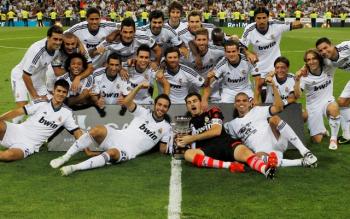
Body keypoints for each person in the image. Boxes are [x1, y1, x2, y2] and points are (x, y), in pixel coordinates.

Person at [49, 82, 173, 176]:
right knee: (96, 130)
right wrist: (139, 87)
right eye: (159, 104)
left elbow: (163, 150)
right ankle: (65, 157)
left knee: (112, 153)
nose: (161, 108)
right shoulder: (144, 112)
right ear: (155, 104)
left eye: (165, 106)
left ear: (168, 109)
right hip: (118, 135)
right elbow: (127, 102)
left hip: (128, 150)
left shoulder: (166, 127)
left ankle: (75, 168)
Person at [176, 92, 278, 179]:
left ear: (200, 102)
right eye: (189, 103)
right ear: (187, 107)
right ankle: (229, 165)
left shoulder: (213, 111)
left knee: (244, 152)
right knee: (188, 154)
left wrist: (192, 138)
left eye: (194, 101)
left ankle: (266, 170)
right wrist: (180, 143)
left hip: (225, 143)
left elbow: (216, 131)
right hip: (207, 150)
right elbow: (183, 147)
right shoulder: (188, 124)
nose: (192, 104)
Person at [224, 88, 318, 168]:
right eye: (238, 101)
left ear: (249, 103)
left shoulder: (257, 110)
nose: (241, 103)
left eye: (244, 100)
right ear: (234, 104)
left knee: (274, 119)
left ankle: (305, 151)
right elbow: (222, 133)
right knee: (254, 158)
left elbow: (278, 108)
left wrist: (273, 85)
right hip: (262, 152)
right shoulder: (232, 125)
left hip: (276, 140)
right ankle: (301, 162)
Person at [0, 79, 82, 161]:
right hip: (17, 131)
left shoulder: (67, 113)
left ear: (67, 94)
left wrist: (87, 149)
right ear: (53, 91)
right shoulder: (41, 103)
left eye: (64, 92)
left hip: (28, 145)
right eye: (59, 91)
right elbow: (17, 112)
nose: (61, 94)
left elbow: (77, 132)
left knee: (7, 156)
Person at [240, 6, 303, 104]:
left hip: (276, 64)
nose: (262, 21)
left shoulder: (276, 25)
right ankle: (258, 109)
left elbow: (297, 24)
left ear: (268, 17)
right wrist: (248, 53)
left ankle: (279, 107)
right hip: (259, 64)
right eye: (259, 18)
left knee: (275, 88)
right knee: (259, 86)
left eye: (264, 18)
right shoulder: (250, 29)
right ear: (255, 19)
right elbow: (241, 45)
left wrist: (298, 23)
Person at [10, 25, 63, 123]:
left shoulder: (58, 49)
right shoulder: (37, 51)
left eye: (60, 39)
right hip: (21, 77)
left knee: (46, 107)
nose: (58, 42)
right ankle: (9, 133)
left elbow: (57, 71)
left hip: (38, 80)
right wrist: (36, 97)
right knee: (22, 109)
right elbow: (25, 75)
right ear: (48, 38)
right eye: (55, 39)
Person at [294, 49, 340, 149]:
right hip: (313, 107)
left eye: (314, 58)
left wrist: (304, 66)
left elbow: (332, 54)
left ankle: (333, 139)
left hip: (327, 101)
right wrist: (297, 80)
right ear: (306, 62)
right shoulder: (304, 77)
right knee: (317, 140)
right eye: (308, 60)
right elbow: (297, 95)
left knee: (334, 107)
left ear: (319, 59)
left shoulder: (329, 68)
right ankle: (320, 130)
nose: (311, 61)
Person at [203, 40, 259, 105]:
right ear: (225, 53)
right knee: (225, 109)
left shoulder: (248, 60)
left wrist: (256, 98)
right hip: (229, 91)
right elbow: (209, 83)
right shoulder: (222, 64)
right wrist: (204, 98)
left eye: (233, 51)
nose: (231, 54)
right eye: (228, 52)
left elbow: (258, 79)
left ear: (238, 51)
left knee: (253, 106)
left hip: (246, 89)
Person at [316, 38, 350, 144]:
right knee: (342, 102)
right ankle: (347, 135)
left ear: (332, 45)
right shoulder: (326, 60)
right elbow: (312, 61)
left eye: (326, 48)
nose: (324, 52)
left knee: (342, 102)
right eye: (321, 50)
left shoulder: (346, 47)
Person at [96, 18, 161, 70]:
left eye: (131, 32)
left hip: (133, 64)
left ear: (135, 31)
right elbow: (92, 53)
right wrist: (97, 51)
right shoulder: (111, 41)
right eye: (125, 32)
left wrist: (156, 62)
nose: (128, 35)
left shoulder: (142, 37)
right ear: (120, 32)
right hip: (116, 65)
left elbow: (158, 50)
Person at [182, 28, 224, 103]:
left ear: (208, 40)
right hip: (194, 83)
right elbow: (170, 59)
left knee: (215, 103)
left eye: (204, 40)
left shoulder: (216, 51)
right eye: (199, 40)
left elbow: (232, 52)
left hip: (210, 82)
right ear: (195, 41)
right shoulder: (187, 54)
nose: (201, 43)